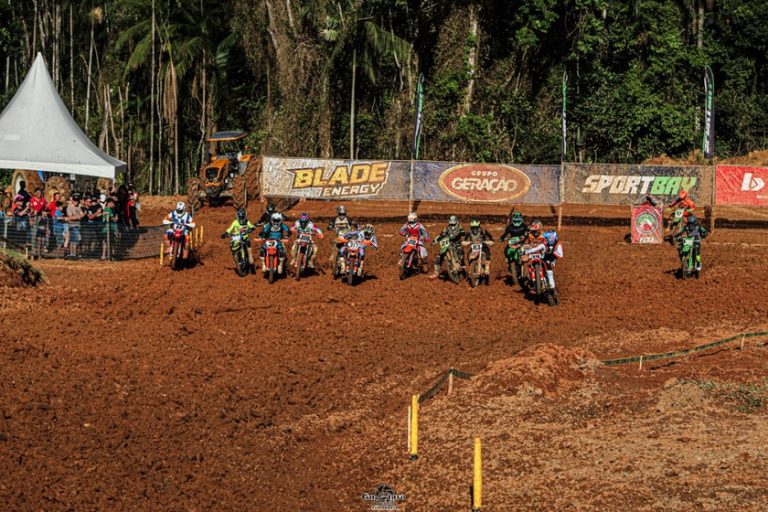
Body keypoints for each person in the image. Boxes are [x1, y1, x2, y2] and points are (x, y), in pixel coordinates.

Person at [221, 208, 257, 272]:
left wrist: (251, 228)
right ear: (237, 216)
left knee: (248, 246)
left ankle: (250, 260)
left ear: (245, 216)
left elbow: (251, 226)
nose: (241, 219)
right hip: (236, 238)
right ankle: (236, 259)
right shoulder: (235, 222)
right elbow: (230, 228)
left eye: (242, 217)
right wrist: (226, 233)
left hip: (245, 238)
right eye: (240, 217)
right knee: (232, 247)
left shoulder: (247, 222)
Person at [430, 215, 464, 279]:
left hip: (457, 245)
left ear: (456, 222)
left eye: (453, 224)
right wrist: (435, 241)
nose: (452, 226)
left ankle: (461, 272)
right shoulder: (447, 228)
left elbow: (462, 232)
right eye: (451, 224)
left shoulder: (459, 227)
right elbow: (442, 234)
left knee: (460, 256)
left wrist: (458, 235)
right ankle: (436, 273)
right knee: (438, 257)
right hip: (447, 245)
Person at [65, 194, 85, 259]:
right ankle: (72, 253)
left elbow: (82, 214)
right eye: (75, 200)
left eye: (77, 200)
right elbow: (70, 217)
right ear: (73, 200)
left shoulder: (78, 207)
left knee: (77, 240)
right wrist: (78, 217)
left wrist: (79, 216)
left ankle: (75, 253)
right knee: (73, 240)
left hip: (77, 225)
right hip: (72, 226)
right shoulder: (69, 207)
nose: (76, 202)